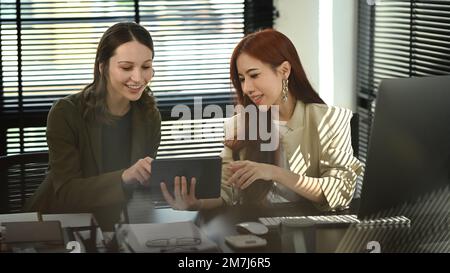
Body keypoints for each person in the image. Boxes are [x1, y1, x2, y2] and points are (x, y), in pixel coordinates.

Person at [160, 29, 363, 212]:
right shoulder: (240, 125)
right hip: (257, 232)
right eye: (241, 79)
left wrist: (274, 172)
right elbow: (227, 189)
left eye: (254, 75)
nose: (247, 87)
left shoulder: (329, 120)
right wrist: (198, 203)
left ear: (284, 71)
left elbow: (339, 192)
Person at [25, 22, 161, 230]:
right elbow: (67, 192)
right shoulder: (66, 113)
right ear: (103, 66)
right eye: (126, 67)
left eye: (145, 66)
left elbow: (142, 187)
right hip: (58, 226)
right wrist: (124, 177)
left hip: (116, 226)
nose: (138, 78)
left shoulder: (149, 116)